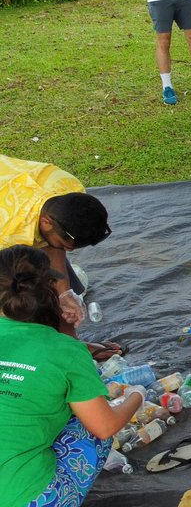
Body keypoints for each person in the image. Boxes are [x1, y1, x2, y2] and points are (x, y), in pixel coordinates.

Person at [0, 246, 142, 507]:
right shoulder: (64, 350)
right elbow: (104, 426)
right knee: (91, 427)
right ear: (51, 291)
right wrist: (135, 397)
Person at [0, 155, 122, 361]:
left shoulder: (68, 188)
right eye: (64, 245)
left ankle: (69, 344)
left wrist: (65, 294)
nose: (70, 252)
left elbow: (52, 248)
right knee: (18, 293)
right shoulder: (8, 228)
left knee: (54, 284)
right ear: (46, 222)